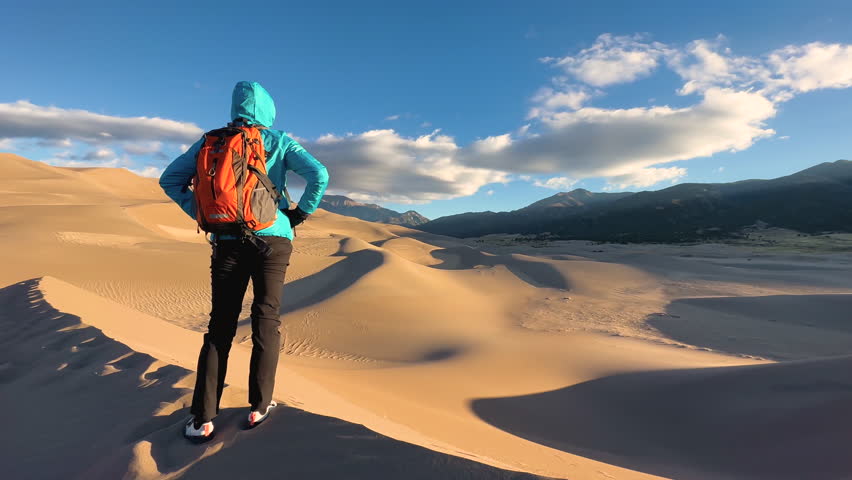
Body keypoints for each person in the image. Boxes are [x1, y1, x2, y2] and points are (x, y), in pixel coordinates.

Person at [159, 81, 329, 443]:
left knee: (220, 326)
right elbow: (319, 174)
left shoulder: (211, 142)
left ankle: (202, 419)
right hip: (273, 240)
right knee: (266, 318)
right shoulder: (279, 140)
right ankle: (259, 406)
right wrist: (297, 215)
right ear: (268, 110)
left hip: (226, 241)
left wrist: (204, 214)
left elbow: (170, 180)